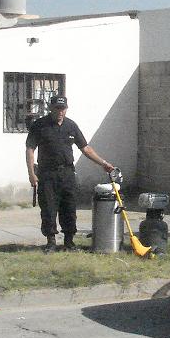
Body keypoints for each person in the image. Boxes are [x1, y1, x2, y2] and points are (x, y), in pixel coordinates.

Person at [26, 95, 115, 252]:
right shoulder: (40, 125)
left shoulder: (71, 126)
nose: (60, 112)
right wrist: (31, 173)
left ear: (66, 109)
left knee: (69, 208)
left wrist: (103, 163)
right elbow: (30, 149)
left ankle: (69, 242)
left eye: (63, 109)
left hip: (67, 173)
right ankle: (51, 242)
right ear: (50, 108)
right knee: (48, 209)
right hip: (48, 174)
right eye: (57, 108)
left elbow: (85, 148)